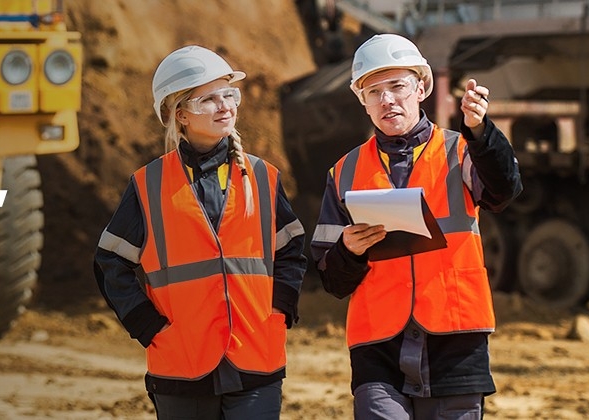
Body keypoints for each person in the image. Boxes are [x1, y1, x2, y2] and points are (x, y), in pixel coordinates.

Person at [310, 34, 522, 419]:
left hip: (454, 342)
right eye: (374, 91)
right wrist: (348, 251)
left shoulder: (462, 150)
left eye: (397, 86)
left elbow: (503, 191)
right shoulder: (344, 172)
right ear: (362, 101)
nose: (387, 99)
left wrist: (480, 131)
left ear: (421, 87)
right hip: (378, 349)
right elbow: (331, 278)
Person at [94, 45, 307, 419]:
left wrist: (279, 310)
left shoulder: (262, 177)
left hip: (256, 357)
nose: (225, 106)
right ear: (180, 116)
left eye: (229, 94)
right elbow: (110, 261)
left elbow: (290, 249)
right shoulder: (148, 185)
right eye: (208, 99)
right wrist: (149, 327)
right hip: (181, 363)